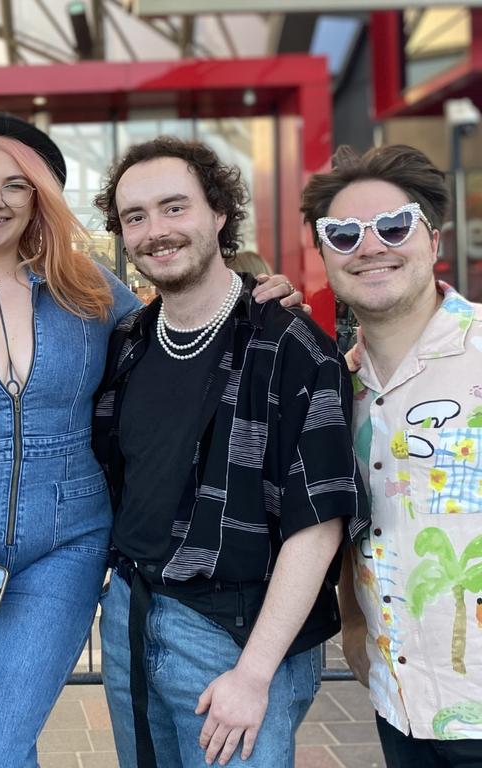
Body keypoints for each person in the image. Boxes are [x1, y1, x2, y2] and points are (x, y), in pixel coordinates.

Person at [0, 113, 300, 767]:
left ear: (40, 196)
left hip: (66, 540)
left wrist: (255, 304)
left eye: (17, 184)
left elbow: (183, 332)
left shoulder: (93, 290)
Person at [91, 136, 368, 768]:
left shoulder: (293, 345)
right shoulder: (127, 344)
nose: (155, 231)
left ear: (219, 213)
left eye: (174, 208)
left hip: (236, 637)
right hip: (131, 615)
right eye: (135, 217)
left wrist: (254, 673)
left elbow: (319, 522)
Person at [302, 145, 482, 766]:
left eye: (395, 226)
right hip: (398, 702)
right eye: (345, 234)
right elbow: (355, 521)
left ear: (433, 239)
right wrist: (352, 621)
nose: (371, 246)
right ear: (324, 255)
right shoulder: (333, 388)